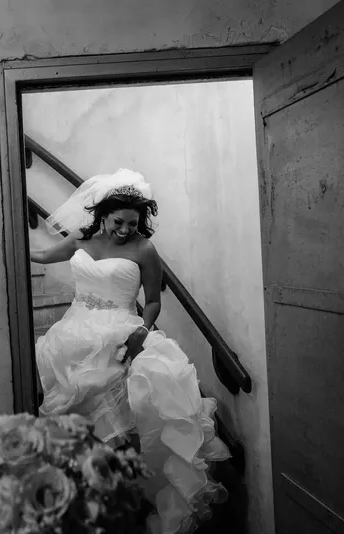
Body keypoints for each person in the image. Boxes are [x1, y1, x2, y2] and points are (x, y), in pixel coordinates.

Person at [30, 169, 231, 534]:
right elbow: (42, 255)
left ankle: (130, 503)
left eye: (134, 223)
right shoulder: (79, 238)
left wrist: (143, 331)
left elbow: (152, 301)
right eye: (119, 221)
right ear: (102, 216)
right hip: (73, 336)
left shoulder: (144, 248)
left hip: (122, 334)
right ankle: (88, 500)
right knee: (83, 422)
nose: (126, 230)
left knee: (129, 422)